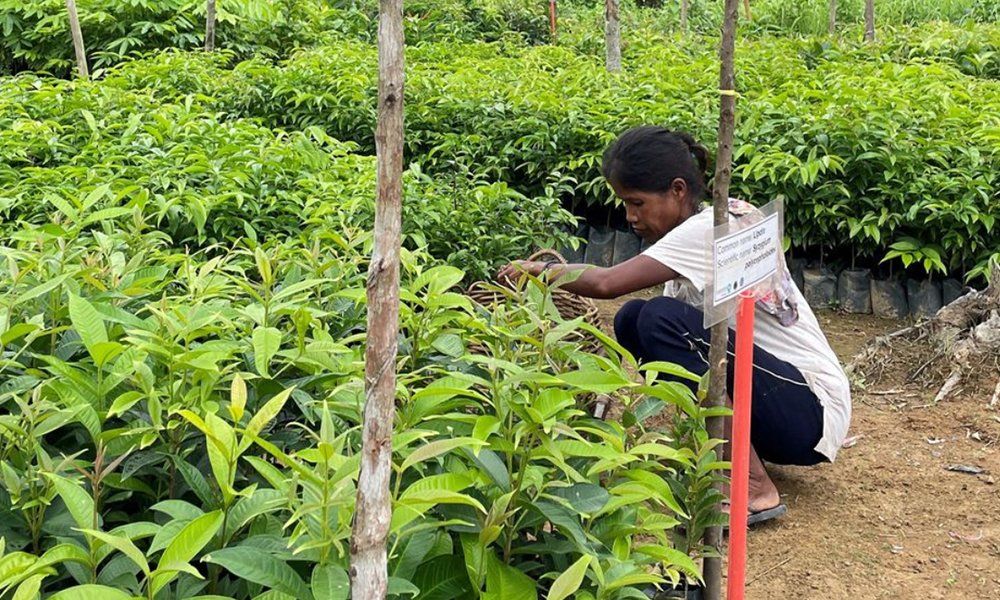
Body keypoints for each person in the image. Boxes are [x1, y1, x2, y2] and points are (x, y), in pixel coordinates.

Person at [497, 126, 851, 524]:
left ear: (678, 190)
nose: (630, 217)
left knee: (659, 319)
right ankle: (719, 456)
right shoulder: (710, 222)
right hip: (785, 409)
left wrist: (537, 270)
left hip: (809, 409)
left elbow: (606, 283)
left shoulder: (706, 230)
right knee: (636, 320)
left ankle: (753, 485)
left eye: (636, 203)